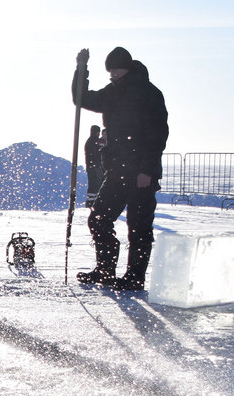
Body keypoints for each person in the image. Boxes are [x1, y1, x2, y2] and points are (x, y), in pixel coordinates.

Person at [71, 46, 168, 291]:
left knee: (139, 227)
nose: (112, 74)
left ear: (127, 67)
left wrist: (146, 170)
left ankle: (134, 278)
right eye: (110, 71)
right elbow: (81, 98)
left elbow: (157, 134)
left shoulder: (149, 93)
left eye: (115, 70)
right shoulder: (113, 93)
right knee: (99, 219)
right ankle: (105, 269)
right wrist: (81, 70)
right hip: (116, 172)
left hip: (141, 175)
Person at [83, 125, 105, 208]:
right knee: (96, 185)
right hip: (95, 166)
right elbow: (96, 154)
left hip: (92, 166)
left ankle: (92, 202)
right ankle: (93, 203)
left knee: (94, 185)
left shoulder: (92, 141)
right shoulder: (93, 141)